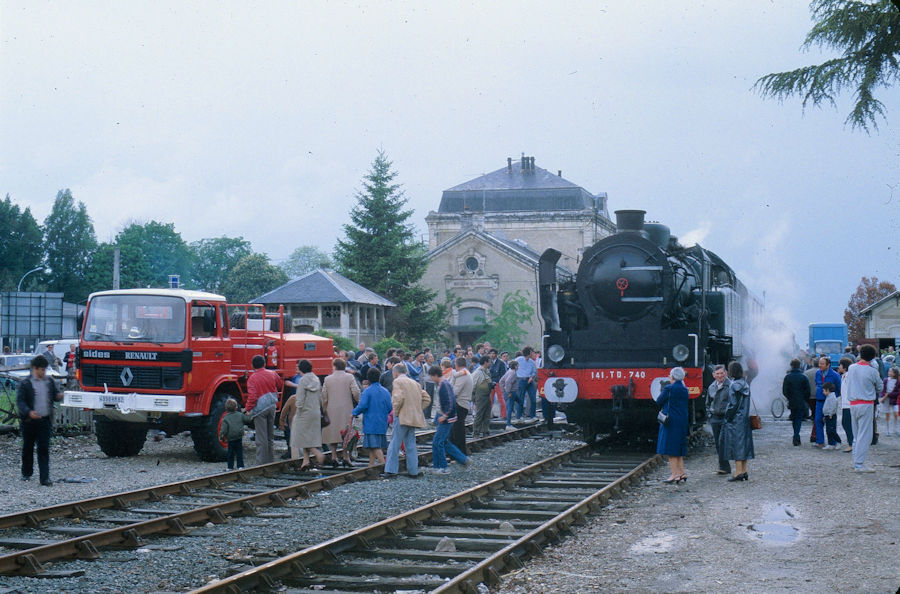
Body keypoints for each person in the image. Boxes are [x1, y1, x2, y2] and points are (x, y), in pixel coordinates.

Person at [17, 355, 62, 485]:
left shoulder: (49, 382)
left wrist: (59, 396)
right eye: (41, 370)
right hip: (29, 422)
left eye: (44, 370)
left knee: (43, 448)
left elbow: (55, 396)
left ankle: (44, 477)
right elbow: (21, 401)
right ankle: (26, 472)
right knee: (28, 447)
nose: (43, 372)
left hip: (44, 420)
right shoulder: (25, 383)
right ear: (34, 369)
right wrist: (28, 412)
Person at [381, 363, 430, 478]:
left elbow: (398, 399)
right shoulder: (415, 383)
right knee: (411, 444)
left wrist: (396, 413)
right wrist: (417, 409)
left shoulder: (398, 382)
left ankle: (391, 471)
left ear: (396, 372)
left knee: (395, 443)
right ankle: (413, 471)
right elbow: (427, 398)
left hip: (402, 417)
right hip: (413, 417)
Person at [844, 344, 883, 472]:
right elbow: (880, 387)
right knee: (865, 435)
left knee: (856, 434)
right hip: (866, 403)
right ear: (872, 357)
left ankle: (856, 460)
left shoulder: (851, 367)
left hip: (853, 404)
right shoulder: (872, 371)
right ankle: (859, 464)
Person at [428, 365, 469, 473]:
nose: (431, 379)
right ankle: (462, 459)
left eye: (432, 377)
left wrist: (445, 415)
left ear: (436, 375)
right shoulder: (442, 384)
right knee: (443, 442)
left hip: (446, 418)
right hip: (445, 416)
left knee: (438, 442)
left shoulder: (444, 385)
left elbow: (451, 402)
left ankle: (443, 467)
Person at [322, 358, 360, 468]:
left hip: (331, 408)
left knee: (333, 433)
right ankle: (345, 456)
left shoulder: (327, 379)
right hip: (346, 408)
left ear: (334, 366)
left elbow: (324, 396)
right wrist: (357, 403)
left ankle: (334, 456)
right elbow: (356, 392)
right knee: (347, 433)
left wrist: (325, 408)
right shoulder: (349, 377)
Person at [244, 354, 282, 466]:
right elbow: (279, 384)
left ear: (252, 366)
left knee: (261, 437)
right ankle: (271, 460)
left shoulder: (252, 378)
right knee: (270, 435)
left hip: (260, 409)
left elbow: (253, 396)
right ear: (264, 364)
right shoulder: (272, 374)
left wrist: (248, 408)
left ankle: (261, 463)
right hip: (272, 405)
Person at [721, 361, 754, 481]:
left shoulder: (733, 385)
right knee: (744, 445)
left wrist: (727, 417)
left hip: (735, 420)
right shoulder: (745, 384)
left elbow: (732, 405)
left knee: (736, 446)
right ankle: (744, 471)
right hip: (744, 419)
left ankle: (738, 472)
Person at [290, 359, 326, 470]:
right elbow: (321, 397)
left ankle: (317, 454)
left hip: (304, 412)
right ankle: (305, 462)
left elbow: (299, 400)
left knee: (299, 435)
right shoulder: (316, 378)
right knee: (309, 435)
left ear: (301, 368)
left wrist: (297, 410)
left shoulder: (302, 380)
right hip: (315, 411)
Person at [655, 367, 689, 484]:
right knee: (679, 448)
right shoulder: (685, 389)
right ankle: (682, 473)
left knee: (671, 450)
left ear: (672, 376)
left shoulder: (669, 388)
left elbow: (659, 400)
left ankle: (674, 475)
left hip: (670, 421)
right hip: (682, 421)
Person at [352, 368, 392, 467]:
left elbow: (362, 405)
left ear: (368, 378)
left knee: (374, 446)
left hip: (371, 422)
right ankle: (371, 464)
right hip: (382, 421)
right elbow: (390, 407)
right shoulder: (385, 391)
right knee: (374, 445)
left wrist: (354, 412)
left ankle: (383, 464)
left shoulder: (367, 391)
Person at [707, 364, 732, 473]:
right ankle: (723, 466)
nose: (720, 375)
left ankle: (724, 467)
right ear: (713, 375)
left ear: (725, 373)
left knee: (723, 442)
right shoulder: (711, 387)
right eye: (717, 374)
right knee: (718, 442)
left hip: (725, 418)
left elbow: (733, 402)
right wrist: (710, 415)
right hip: (714, 418)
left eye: (722, 373)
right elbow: (708, 403)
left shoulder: (730, 386)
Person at [782, 358, 811, 447]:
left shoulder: (788, 377)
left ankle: (796, 435)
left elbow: (784, 390)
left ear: (791, 366)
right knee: (798, 419)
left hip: (792, 401)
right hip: (801, 401)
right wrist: (805, 399)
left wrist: (789, 397)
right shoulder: (804, 377)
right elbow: (808, 391)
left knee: (794, 419)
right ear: (800, 366)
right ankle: (796, 435)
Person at [814, 357, 841, 448]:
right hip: (819, 401)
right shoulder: (817, 373)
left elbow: (839, 388)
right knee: (818, 420)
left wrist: (832, 397)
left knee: (830, 423)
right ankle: (820, 441)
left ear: (828, 365)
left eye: (822, 364)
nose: (819, 365)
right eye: (819, 363)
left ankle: (833, 442)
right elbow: (816, 384)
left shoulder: (835, 375)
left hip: (829, 402)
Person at [449, 357, 473, 455]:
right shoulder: (465, 374)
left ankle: (460, 453)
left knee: (457, 431)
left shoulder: (463, 375)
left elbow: (454, 391)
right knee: (456, 430)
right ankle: (457, 453)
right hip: (463, 404)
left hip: (460, 404)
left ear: (456, 365)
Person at [219, 398, 246, 470]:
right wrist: (248, 413)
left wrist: (221, 436)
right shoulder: (240, 415)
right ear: (236, 407)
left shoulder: (226, 418)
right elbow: (247, 419)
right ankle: (240, 466)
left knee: (230, 453)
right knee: (239, 452)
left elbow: (223, 429)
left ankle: (230, 467)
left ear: (226, 408)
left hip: (230, 438)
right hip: (239, 437)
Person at [471, 357, 493, 438]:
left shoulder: (486, 371)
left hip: (487, 395)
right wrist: (473, 398)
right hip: (480, 395)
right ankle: (476, 432)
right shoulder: (478, 373)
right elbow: (473, 385)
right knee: (479, 414)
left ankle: (485, 431)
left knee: (487, 414)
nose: (490, 363)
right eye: (489, 362)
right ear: (485, 362)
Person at [516, 347, 538, 420]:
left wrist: (532, 377)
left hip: (529, 380)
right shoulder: (518, 360)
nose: (533, 353)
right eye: (532, 352)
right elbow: (512, 367)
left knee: (533, 399)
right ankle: (519, 416)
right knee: (520, 398)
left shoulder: (532, 362)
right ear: (529, 353)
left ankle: (533, 415)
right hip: (521, 380)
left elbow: (534, 371)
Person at [838, 357, 855, 452]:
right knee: (846, 423)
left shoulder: (848, 376)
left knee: (847, 423)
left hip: (849, 404)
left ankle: (851, 443)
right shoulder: (844, 376)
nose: (839, 367)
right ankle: (851, 442)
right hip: (845, 403)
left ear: (844, 367)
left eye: (840, 365)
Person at [501, 359, 521, 429]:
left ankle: (519, 417)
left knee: (520, 402)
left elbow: (501, 381)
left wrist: (503, 390)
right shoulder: (513, 373)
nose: (518, 367)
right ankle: (508, 424)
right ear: (515, 366)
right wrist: (508, 392)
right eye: (517, 366)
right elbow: (507, 382)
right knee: (510, 407)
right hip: (512, 392)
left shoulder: (508, 371)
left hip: (512, 392)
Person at [487, 349, 508, 419]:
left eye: (493, 353)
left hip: (498, 383)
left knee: (501, 399)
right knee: (490, 400)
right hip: (490, 383)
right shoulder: (489, 362)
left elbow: (503, 374)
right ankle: (490, 414)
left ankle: (503, 415)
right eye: (491, 353)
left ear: (496, 354)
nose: (492, 355)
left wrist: (501, 383)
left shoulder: (501, 363)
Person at [879, 366, 899, 436]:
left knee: (896, 414)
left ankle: (896, 429)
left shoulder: (898, 381)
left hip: (894, 400)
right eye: (889, 371)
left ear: (895, 373)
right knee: (887, 415)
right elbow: (883, 390)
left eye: (891, 371)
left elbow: (898, 392)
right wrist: (883, 396)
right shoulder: (885, 380)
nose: (889, 372)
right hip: (886, 400)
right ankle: (888, 430)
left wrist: (888, 395)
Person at [822, 382, 842, 449]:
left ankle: (839, 441)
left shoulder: (832, 397)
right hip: (827, 415)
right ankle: (830, 443)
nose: (823, 392)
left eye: (824, 390)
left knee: (832, 430)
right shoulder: (828, 397)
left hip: (831, 416)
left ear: (828, 390)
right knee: (828, 430)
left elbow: (833, 406)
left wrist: (830, 414)